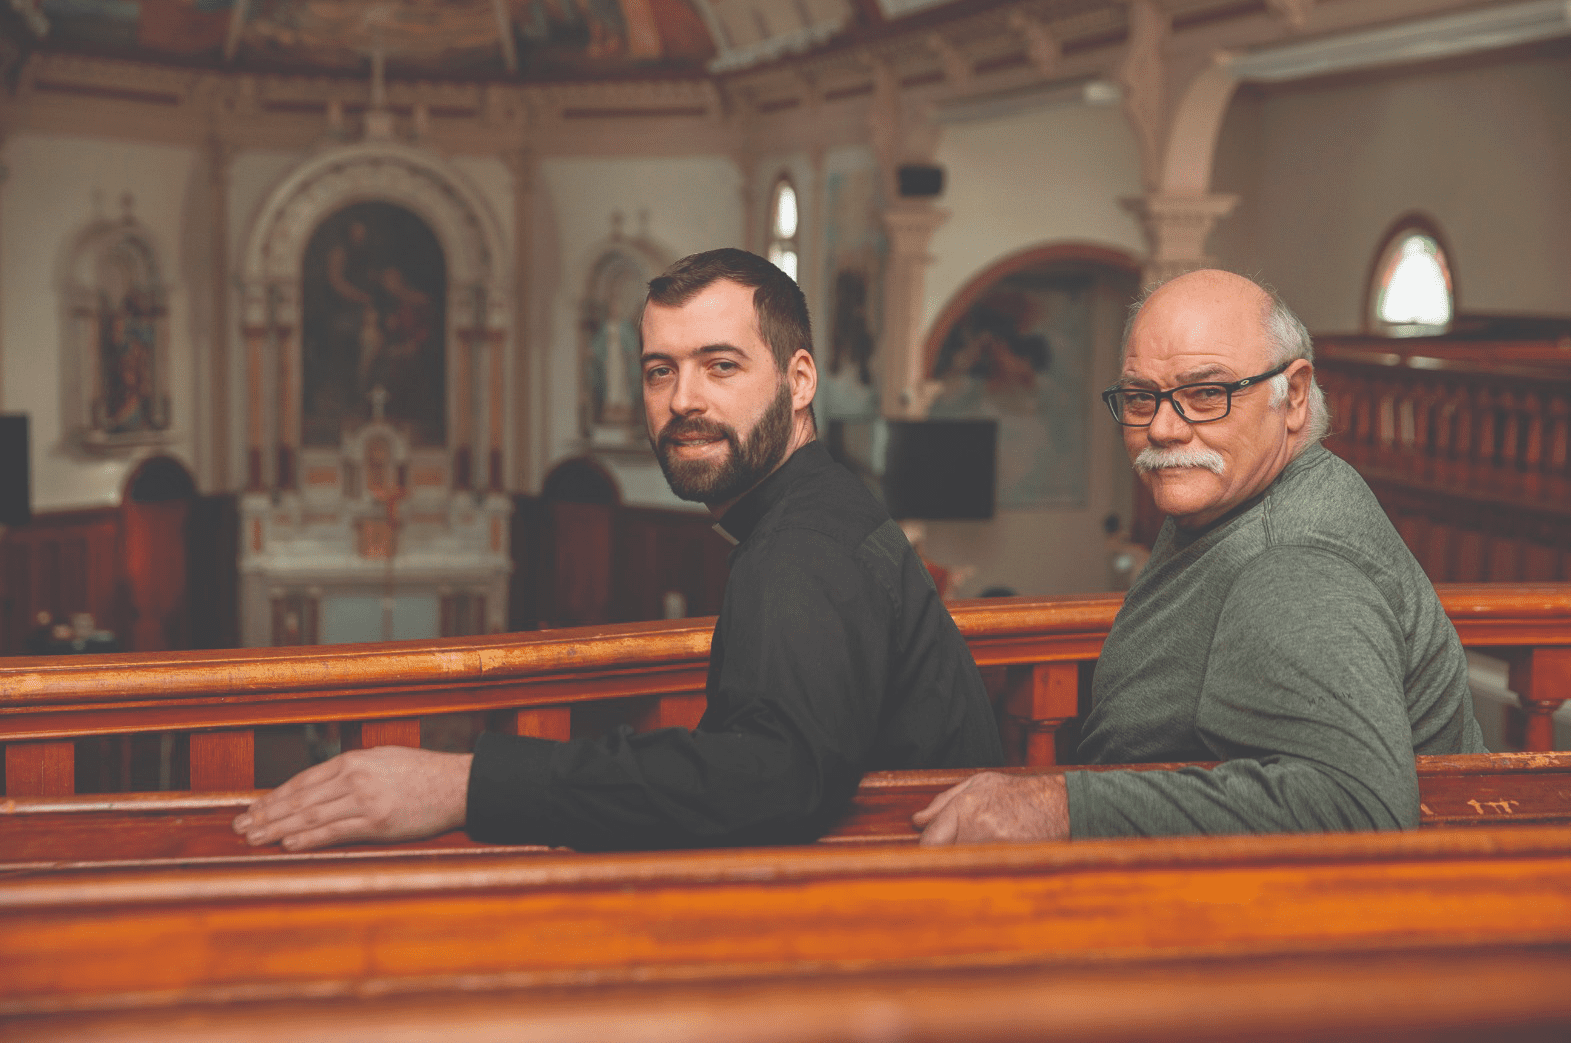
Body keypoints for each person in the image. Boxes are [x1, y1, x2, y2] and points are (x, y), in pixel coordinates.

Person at [235, 248, 1002, 852]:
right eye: (659, 370)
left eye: (720, 365)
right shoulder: (814, 512)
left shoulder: (801, 549)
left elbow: (772, 780)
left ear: (798, 381)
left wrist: (462, 786)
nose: (684, 400)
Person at [915, 269, 1484, 845]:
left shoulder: (1295, 568)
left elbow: (1356, 807)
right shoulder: (1233, 496)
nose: (1162, 427)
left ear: (1294, 397)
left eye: (1206, 394)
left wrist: (1062, 806)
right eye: (1141, 397)